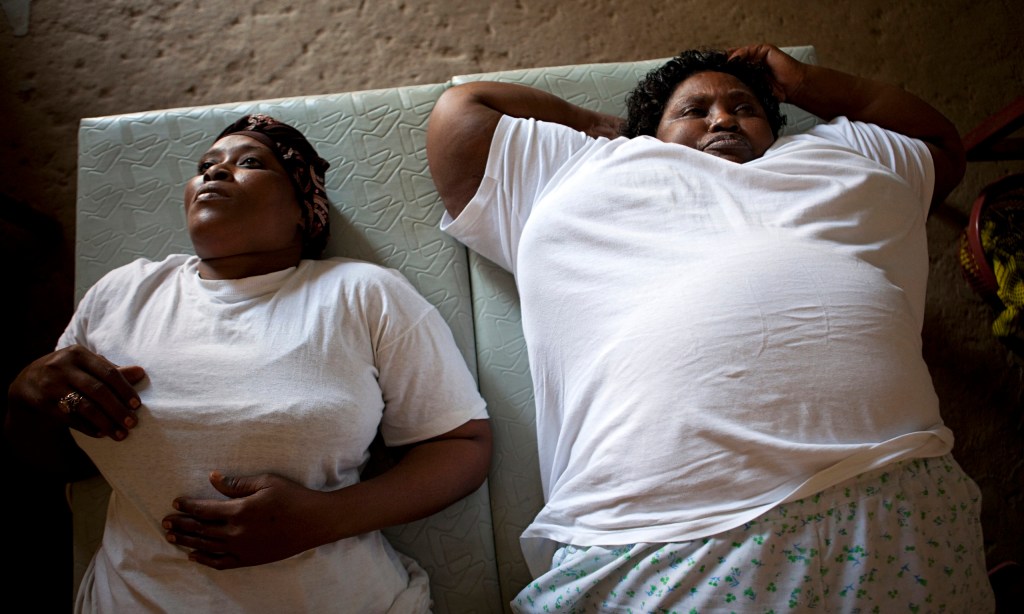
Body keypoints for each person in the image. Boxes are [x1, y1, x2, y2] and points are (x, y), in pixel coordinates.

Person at [427, 44, 995, 611]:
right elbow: (463, 111)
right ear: (651, 131)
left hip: (894, 488)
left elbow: (942, 144)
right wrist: (605, 126)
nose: (723, 119)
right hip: (664, 533)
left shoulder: (838, 154)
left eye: (744, 107)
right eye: (693, 111)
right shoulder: (585, 167)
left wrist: (804, 81)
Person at [6, 114, 492, 613]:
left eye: (251, 163)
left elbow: (462, 444)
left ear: (303, 211)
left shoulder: (362, 293)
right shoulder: (122, 293)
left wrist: (324, 518)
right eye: (206, 165)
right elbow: (62, 463)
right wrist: (25, 396)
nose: (215, 172)